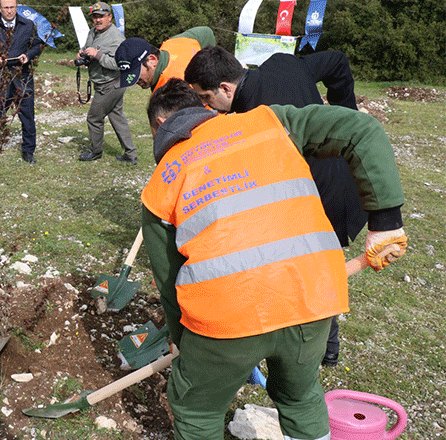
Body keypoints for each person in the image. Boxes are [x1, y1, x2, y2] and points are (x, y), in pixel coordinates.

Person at [141, 78, 406, 440]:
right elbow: (360, 127)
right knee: (299, 397)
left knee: (197, 410)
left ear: (159, 126)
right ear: (203, 109)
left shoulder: (161, 184)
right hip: (312, 299)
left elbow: (169, 283)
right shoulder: (268, 121)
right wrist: (386, 222)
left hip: (225, 316)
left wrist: (192, 350)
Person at [183, 45, 364, 366]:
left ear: (225, 88)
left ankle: (326, 345)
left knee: (312, 269)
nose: (205, 106)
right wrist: (345, 115)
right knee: (313, 266)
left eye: (205, 98)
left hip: (318, 199)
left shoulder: (256, 119)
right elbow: (336, 61)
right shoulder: (283, 65)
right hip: (342, 179)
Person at [0, 0, 43, 164]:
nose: (9, 11)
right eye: (6, 8)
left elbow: (38, 45)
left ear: (17, 8)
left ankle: (28, 151)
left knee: (27, 116)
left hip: (23, 77)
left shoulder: (28, 25)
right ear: (0, 8)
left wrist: (28, 56)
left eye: (12, 7)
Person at [75, 2, 135, 164]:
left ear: (109, 17)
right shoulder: (93, 32)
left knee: (94, 118)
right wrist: (83, 55)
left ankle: (95, 152)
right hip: (105, 83)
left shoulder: (116, 37)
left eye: (101, 16)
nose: (98, 20)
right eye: (95, 17)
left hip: (111, 84)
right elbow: (88, 48)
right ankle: (130, 154)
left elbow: (120, 64)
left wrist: (98, 55)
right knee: (117, 117)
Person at [114, 28, 216, 91]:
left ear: (152, 60)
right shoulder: (173, 43)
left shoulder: (170, 89)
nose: (136, 81)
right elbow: (206, 32)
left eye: (136, 73)